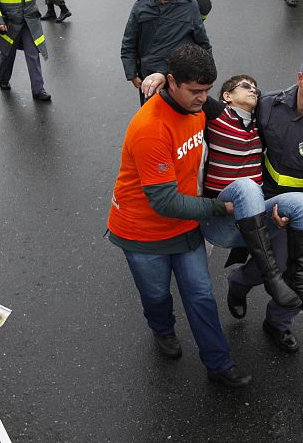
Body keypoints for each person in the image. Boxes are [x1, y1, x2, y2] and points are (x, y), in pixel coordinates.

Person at [107, 44, 251, 388]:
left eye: (207, 90)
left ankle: (218, 364)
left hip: (185, 223)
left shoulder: (197, 103)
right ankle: (162, 329)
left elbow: (238, 113)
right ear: (172, 83)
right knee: (157, 296)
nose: (203, 98)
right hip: (142, 232)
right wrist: (220, 207)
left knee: (201, 295)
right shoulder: (150, 128)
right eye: (195, 91)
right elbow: (165, 202)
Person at [142, 72, 303, 321]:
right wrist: (162, 77)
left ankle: (301, 286)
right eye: (245, 86)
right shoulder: (219, 114)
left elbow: (285, 104)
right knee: (247, 186)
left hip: (254, 220)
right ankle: (272, 278)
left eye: (255, 87)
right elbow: (185, 85)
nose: (253, 90)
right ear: (227, 96)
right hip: (221, 219)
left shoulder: (259, 123)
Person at [227, 52, 303, 353]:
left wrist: (300, 210)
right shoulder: (269, 105)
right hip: (271, 201)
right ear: (300, 78)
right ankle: (239, 283)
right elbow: (235, 128)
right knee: (268, 265)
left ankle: (277, 323)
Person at [120, 0, 211, 105]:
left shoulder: (189, 5)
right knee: (153, 118)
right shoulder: (141, 5)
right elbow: (129, 41)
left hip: (179, 75)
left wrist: (206, 75)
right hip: (150, 77)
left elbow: (203, 43)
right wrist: (131, 73)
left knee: (181, 118)